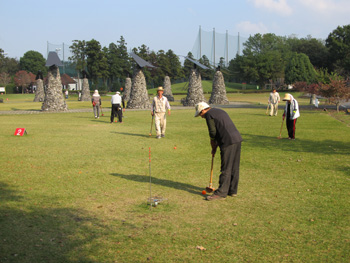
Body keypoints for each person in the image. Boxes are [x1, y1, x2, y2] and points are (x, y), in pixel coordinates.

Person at [195, 102, 243, 201]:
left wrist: (213, 142)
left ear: (203, 110)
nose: (201, 117)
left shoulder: (209, 114)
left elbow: (213, 132)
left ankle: (221, 193)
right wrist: (215, 146)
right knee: (234, 166)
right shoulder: (219, 110)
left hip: (227, 141)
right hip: (237, 139)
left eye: (200, 114)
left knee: (226, 167)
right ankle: (232, 190)